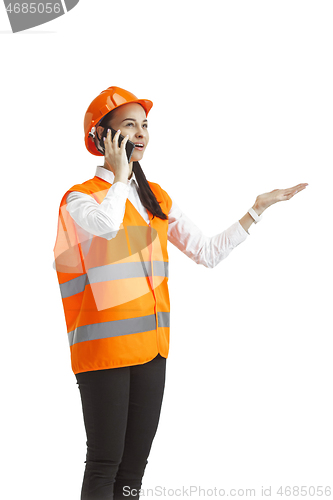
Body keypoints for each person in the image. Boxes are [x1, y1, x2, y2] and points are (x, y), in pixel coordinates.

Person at [53, 86, 308, 500]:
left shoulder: (156, 200)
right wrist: (120, 176)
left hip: (153, 349)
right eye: (129, 125)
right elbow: (106, 226)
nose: (141, 134)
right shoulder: (80, 198)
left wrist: (256, 209)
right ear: (102, 137)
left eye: (145, 126)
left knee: (133, 470)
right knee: (104, 464)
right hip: (104, 353)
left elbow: (207, 253)